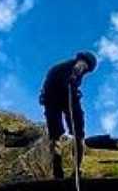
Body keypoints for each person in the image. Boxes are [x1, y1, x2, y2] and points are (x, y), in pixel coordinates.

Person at [39, 51, 98, 179]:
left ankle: (75, 169)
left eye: (86, 69)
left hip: (66, 100)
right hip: (54, 99)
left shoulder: (77, 73)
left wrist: (74, 92)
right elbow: (52, 82)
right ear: (80, 60)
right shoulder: (65, 68)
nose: (84, 70)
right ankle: (59, 169)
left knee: (77, 134)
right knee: (56, 136)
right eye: (84, 66)